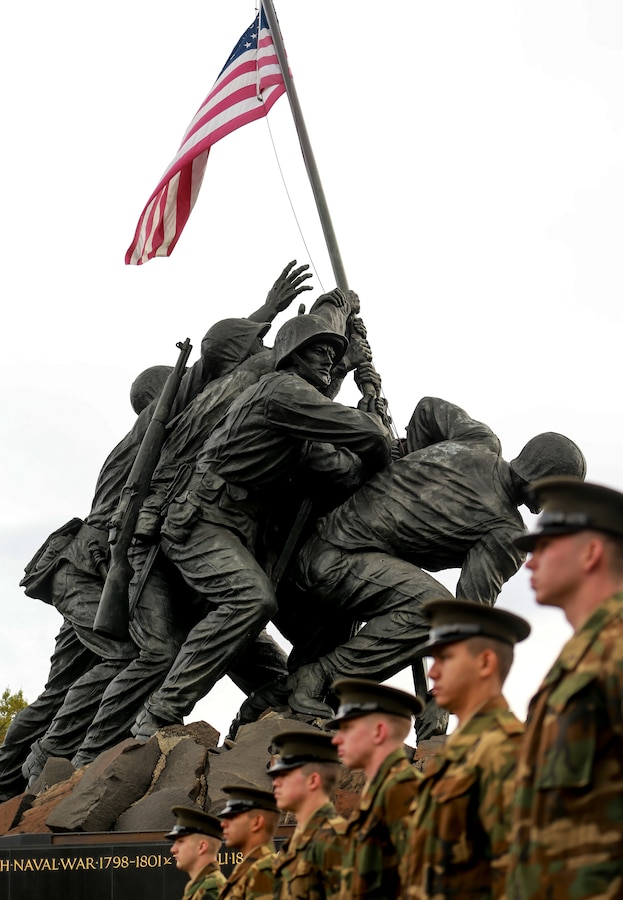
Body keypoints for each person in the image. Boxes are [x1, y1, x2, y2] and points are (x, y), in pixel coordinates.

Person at [2, 261, 312, 795]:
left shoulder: (169, 436)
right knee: (129, 659)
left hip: (122, 565)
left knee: (208, 650)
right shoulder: (155, 429)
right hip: (95, 564)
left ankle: (41, 766)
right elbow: (219, 365)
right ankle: (44, 768)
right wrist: (274, 316)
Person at [124, 313, 391, 744]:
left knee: (286, 638)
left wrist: (368, 420)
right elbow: (368, 439)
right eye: (320, 350)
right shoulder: (283, 391)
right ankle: (158, 715)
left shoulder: (298, 413)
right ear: (291, 354)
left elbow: (337, 467)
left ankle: (265, 720)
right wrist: (374, 423)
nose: (329, 359)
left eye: (333, 353)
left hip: (235, 531)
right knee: (252, 599)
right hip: (200, 520)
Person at [285, 396, 586, 730]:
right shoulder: (505, 534)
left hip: (321, 543)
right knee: (431, 611)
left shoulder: (478, 440)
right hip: (334, 569)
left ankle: (273, 699)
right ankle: (318, 678)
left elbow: (428, 409)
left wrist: (404, 464)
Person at [506, 477, 623, 899]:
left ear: (591, 553)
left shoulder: (616, 648)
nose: (529, 563)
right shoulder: (575, 659)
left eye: (545, 548)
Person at [401, 599, 530, 899]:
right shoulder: (458, 756)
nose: (432, 674)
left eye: (445, 658)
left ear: (485, 662)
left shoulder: (510, 752)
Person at [329, 678, 423, 899]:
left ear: (379, 732)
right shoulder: (378, 798)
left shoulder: (407, 797)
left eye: (347, 729)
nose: (336, 740)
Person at [268, 729, 349, 899]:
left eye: (284, 775)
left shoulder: (338, 841)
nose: (276, 783)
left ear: (313, 780)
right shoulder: (295, 843)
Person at [218, 784, 280, 899]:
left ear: (257, 822)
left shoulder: (264, 871)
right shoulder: (251, 869)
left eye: (232, 817)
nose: (223, 824)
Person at [166, 805, 227, 900]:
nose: (173, 849)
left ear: (202, 847)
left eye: (181, 842)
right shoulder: (199, 887)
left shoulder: (211, 890)